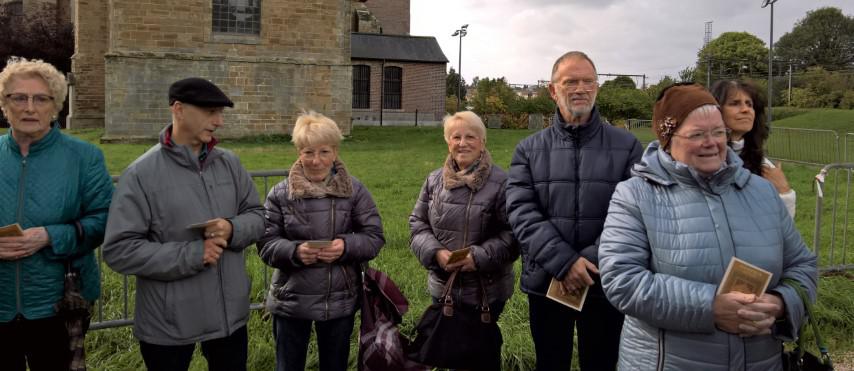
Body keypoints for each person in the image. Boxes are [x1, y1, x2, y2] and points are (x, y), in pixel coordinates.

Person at [599, 83, 818, 370]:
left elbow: (803, 265)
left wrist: (780, 303)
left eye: (718, 132)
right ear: (668, 139)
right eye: (698, 135)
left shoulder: (762, 192)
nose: (712, 143)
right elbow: (622, 279)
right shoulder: (636, 195)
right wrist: (710, 307)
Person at [102, 77, 265, 371]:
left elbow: (258, 215)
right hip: (168, 326)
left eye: (220, 113)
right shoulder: (140, 174)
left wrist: (232, 228)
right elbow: (119, 250)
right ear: (177, 109)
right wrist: (193, 255)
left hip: (229, 320)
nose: (219, 121)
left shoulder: (230, 163)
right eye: (210, 111)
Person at [505, 51, 643, 371]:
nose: (580, 89)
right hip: (548, 283)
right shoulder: (528, 149)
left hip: (605, 281)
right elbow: (521, 211)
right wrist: (565, 263)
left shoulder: (628, 146)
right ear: (553, 90)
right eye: (570, 82)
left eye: (587, 81)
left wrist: (590, 262)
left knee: (603, 363)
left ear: (597, 88)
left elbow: (633, 213)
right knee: (551, 362)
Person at [0, 57, 112, 370]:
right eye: (18, 97)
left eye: (41, 98)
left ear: (56, 105)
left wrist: (49, 236)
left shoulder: (84, 157)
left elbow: (104, 219)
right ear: (4, 104)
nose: (29, 108)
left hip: (58, 307)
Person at [258, 111, 384, 371]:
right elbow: (265, 243)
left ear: (335, 152)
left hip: (338, 299)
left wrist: (345, 247)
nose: (316, 161)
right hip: (291, 299)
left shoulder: (355, 191)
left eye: (324, 152)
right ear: (298, 152)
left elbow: (374, 237)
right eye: (308, 152)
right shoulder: (280, 194)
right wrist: (294, 252)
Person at [409, 111, 518, 370]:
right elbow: (417, 224)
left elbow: (513, 235)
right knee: (452, 354)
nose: (462, 143)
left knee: (481, 355)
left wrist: (477, 257)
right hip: (443, 286)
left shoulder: (502, 183)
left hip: (485, 290)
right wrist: (435, 252)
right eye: (455, 136)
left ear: (483, 141)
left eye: (471, 136)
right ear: (448, 142)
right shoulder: (434, 180)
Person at [710, 80, 796, 218]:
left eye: (749, 104)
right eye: (734, 103)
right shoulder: (701, 159)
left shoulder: (763, 165)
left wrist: (784, 192)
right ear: (715, 109)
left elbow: (783, 227)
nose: (745, 110)